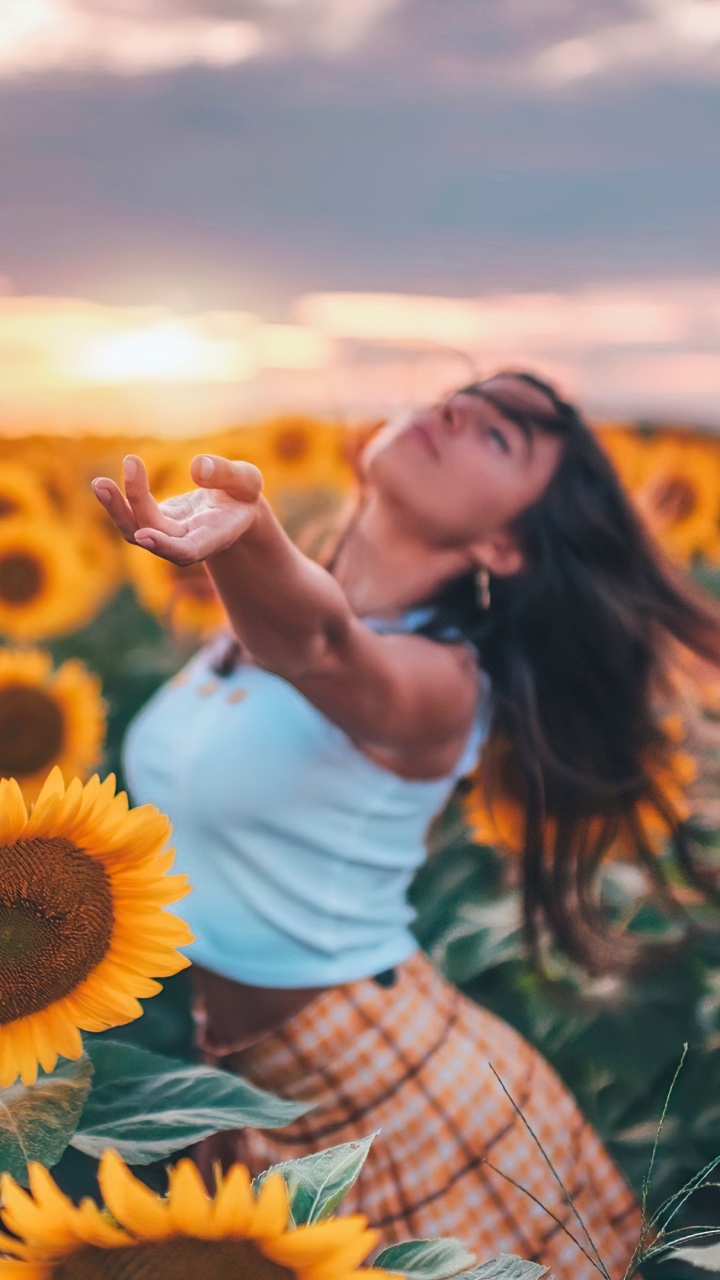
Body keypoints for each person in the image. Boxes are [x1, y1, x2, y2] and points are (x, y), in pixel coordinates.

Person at [93, 372, 720, 1279]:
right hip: (236, 1086)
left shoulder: (443, 683)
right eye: (462, 396)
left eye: (501, 437)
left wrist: (252, 535)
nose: (457, 410)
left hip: (390, 1093)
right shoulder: (238, 622)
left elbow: (324, 645)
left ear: (504, 546)